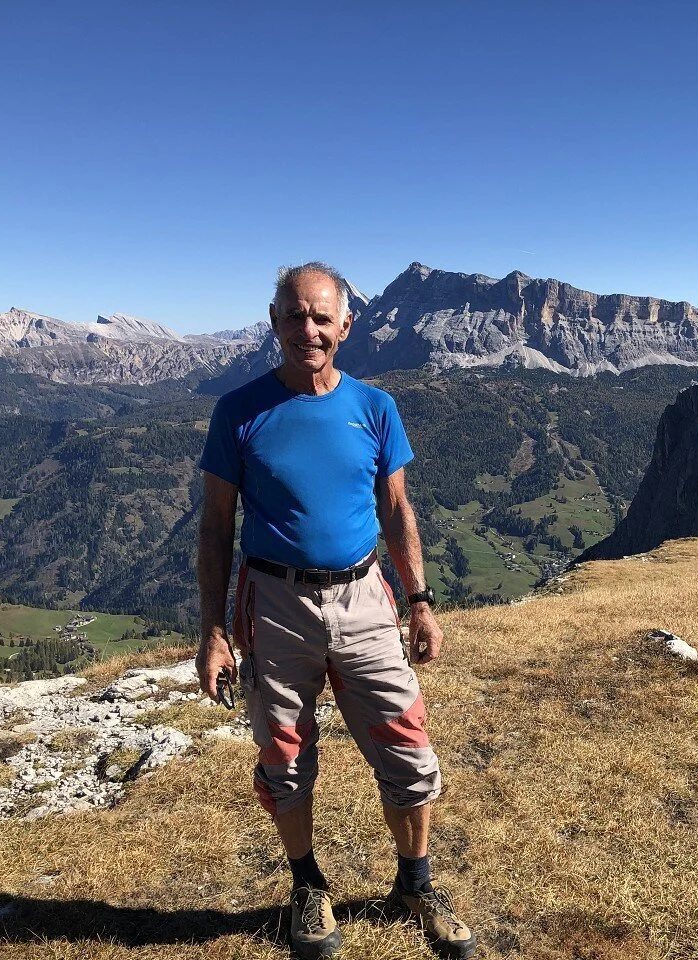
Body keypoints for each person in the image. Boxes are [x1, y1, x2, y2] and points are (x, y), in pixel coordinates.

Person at [196, 262, 475, 960]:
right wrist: (213, 632)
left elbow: (398, 508)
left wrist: (420, 603)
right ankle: (306, 886)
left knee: (409, 750)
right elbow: (214, 525)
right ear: (273, 322)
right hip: (275, 601)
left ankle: (415, 883)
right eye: (294, 316)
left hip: (364, 594)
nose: (308, 330)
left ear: (347, 327)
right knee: (284, 759)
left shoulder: (376, 407)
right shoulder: (239, 410)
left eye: (322, 318)